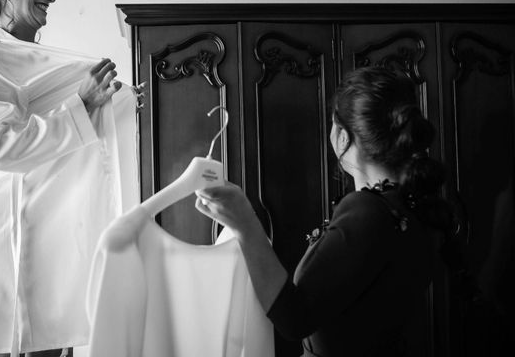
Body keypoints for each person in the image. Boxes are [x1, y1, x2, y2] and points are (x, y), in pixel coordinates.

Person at [195, 66, 455, 357]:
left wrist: (245, 224)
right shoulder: (414, 205)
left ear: (343, 138)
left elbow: (295, 319)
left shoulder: (369, 210)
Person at [0, 0, 133, 357]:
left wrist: (125, 101)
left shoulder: (46, 63)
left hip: (58, 224)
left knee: (61, 343)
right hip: (14, 230)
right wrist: (85, 103)